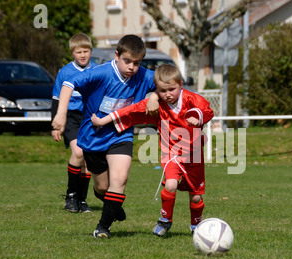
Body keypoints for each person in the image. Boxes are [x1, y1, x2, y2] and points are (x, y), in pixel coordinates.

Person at [52, 34, 159, 239]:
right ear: (116, 55)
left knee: (120, 178)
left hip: (121, 136)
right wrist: (60, 114)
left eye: (137, 63)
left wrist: (154, 94)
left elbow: (164, 82)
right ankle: (110, 203)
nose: (131, 67)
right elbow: (67, 84)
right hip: (93, 137)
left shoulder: (143, 75)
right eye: (127, 61)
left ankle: (103, 227)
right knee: (102, 187)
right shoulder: (100, 73)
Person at [91, 63, 214, 237]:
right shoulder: (158, 105)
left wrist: (198, 116)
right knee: (170, 184)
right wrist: (103, 121)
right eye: (162, 91)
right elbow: (131, 110)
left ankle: (196, 224)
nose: (168, 94)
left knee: (195, 197)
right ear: (157, 90)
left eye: (172, 89)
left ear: (180, 84)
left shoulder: (191, 99)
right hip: (171, 155)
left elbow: (207, 110)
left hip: (193, 156)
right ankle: (165, 220)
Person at [51, 33, 96, 213]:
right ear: (72, 54)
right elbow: (55, 99)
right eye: (79, 52)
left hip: (89, 117)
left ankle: (82, 200)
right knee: (78, 152)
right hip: (69, 117)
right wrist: (55, 125)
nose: (83, 55)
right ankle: (71, 196)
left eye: (86, 51)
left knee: (87, 159)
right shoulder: (65, 72)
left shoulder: (97, 71)